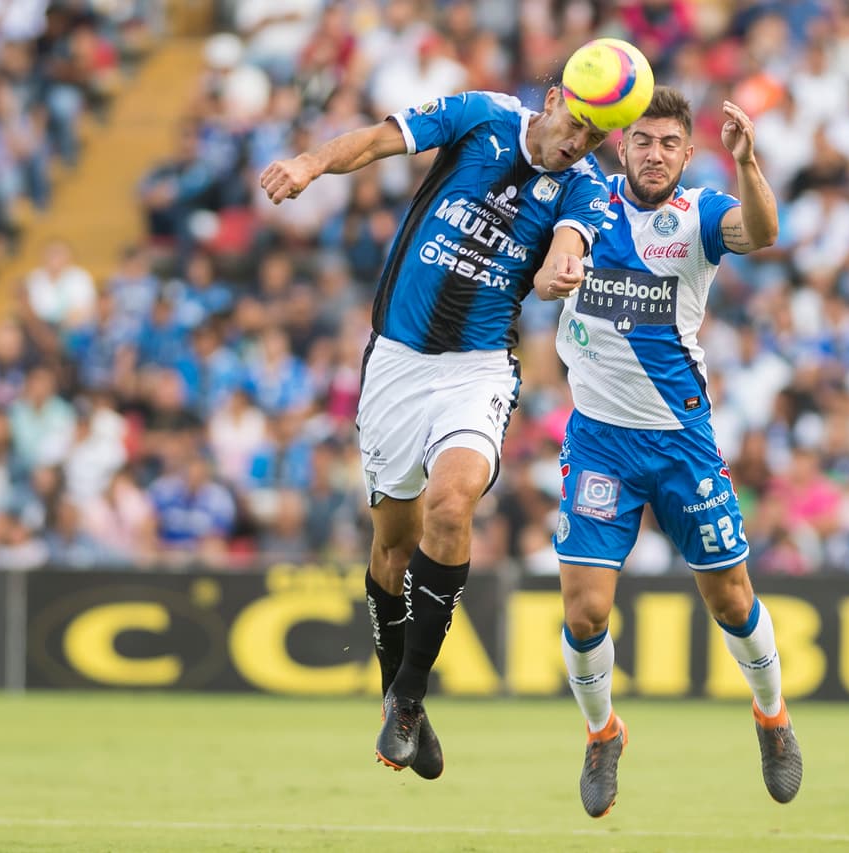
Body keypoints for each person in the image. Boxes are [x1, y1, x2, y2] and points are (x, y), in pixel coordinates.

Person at [259, 83, 611, 777]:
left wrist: (559, 271)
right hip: (395, 362)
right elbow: (376, 139)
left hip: (477, 368)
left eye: (596, 137)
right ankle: (397, 691)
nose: (579, 143)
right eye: (576, 123)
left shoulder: (585, 188)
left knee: (451, 506)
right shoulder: (482, 116)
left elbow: (565, 250)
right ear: (552, 100)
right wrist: (308, 163)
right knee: (392, 548)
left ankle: (411, 697)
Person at [551, 87, 802, 817]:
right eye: (642, 140)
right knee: (585, 612)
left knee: (731, 598)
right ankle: (602, 732)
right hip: (599, 438)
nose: (654, 154)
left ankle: (772, 715)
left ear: (689, 153)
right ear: (620, 145)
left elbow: (763, 233)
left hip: (680, 443)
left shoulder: (700, 214)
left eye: (668, 144)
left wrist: (748, 163)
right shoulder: (582, 204)